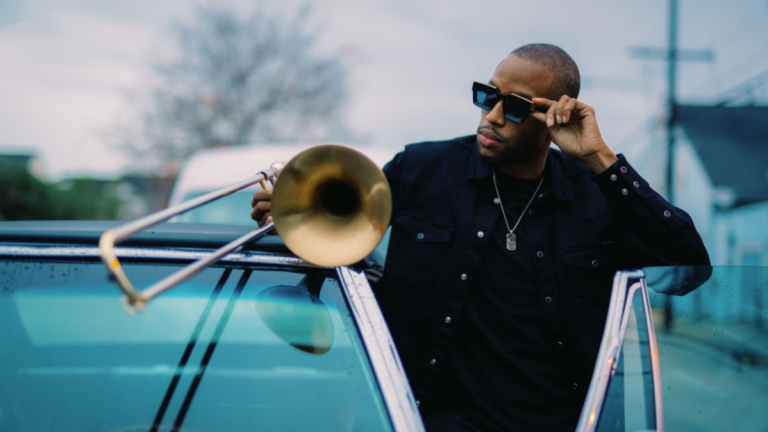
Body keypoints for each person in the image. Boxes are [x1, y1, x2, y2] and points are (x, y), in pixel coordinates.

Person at [251, 43, 710, 432]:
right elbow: (339, 238)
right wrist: (294, 219)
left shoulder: (596, 195)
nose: (490, 116)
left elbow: (688, 267)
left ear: (556, 116)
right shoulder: (421, 170)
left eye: (513, 106)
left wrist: (600, 159)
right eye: (487, 95)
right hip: (423, 418)